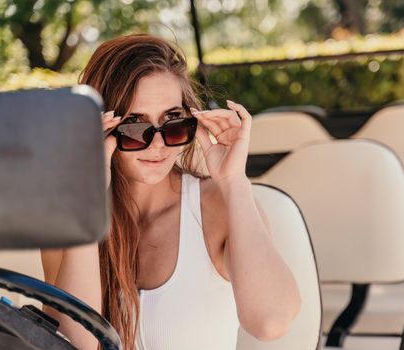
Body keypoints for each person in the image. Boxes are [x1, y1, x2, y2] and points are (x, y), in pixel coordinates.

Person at [41, 34, 301, 350]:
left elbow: (271, 322)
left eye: (173, 121)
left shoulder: (218, 206)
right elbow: (74, 343)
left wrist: (234, 182)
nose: (158, 144)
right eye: (135, 125)